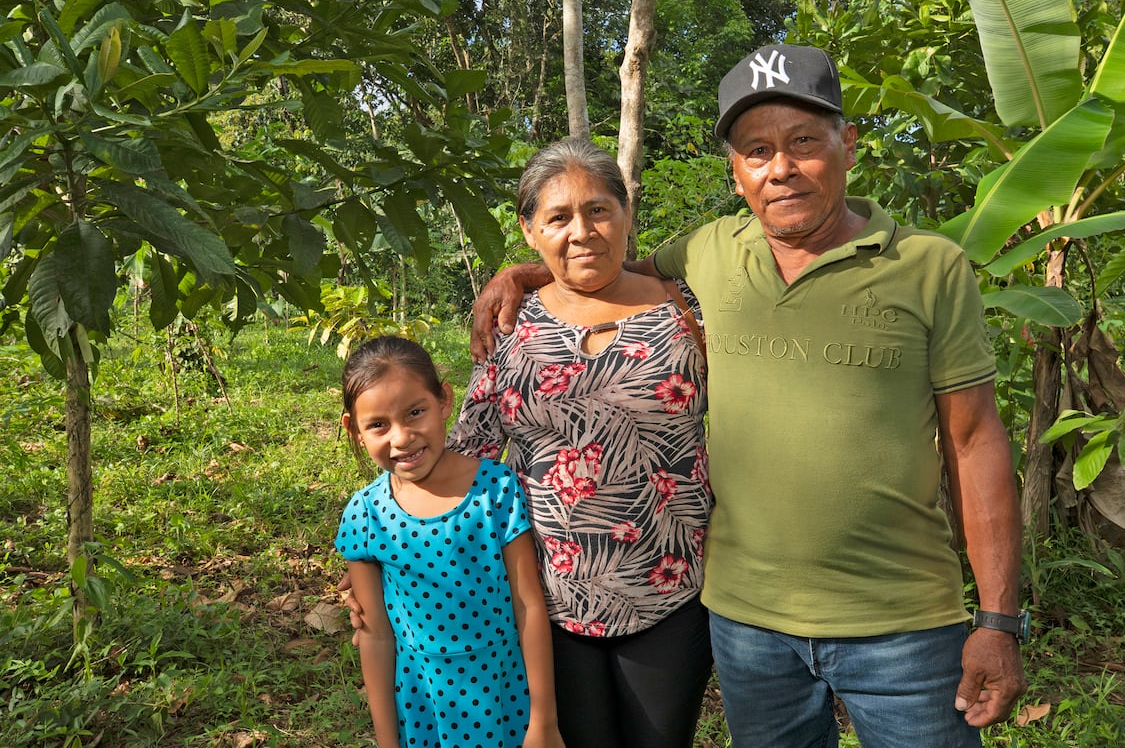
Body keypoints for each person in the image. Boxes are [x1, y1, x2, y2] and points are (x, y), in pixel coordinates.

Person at [471, 44, 1027, 747]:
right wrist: (524, 274)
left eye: (804, 142)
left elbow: (975, 440)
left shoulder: (928, 267)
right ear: (736, 174)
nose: (782, 168)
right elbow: (604, 271)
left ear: (847, 144)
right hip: (747, 626)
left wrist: (998, 622)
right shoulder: (709, 253)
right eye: (757, 150)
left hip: (903, 625)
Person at [348, 140, 714, 748]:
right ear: (529, 230)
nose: (583, 232)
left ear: (627, 213)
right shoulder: (511, 322)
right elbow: (462, 454)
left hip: (671, 589)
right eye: (559, 217)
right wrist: (377, 564)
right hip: (546, 602)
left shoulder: (686, 308)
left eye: (599, 210)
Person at [335, 335, 564, 748]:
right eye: (378, 425)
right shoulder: (366, 514)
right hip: (422, 708)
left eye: (415, 412)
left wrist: (544, 721)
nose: (402, 438)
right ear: (355, 430)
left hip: (503, 697)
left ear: (444, 400)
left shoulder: (494, 489)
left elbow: (528, 603)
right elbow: (375, 635)